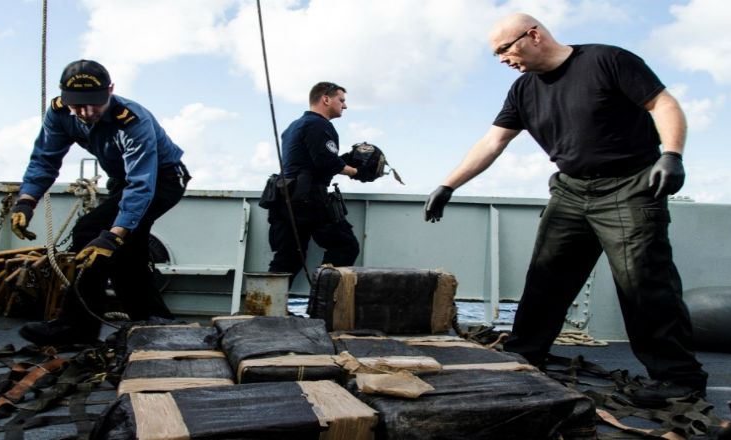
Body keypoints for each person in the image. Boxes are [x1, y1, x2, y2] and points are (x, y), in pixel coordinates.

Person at [424, 13, 707, 408]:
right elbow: (492, 142)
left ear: (534, 35)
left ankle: (678, 377)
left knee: (644, 283)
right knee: (546, 277)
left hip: (629, 186)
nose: (503, 60)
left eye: (505, 49)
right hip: (571, 190)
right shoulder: (523, 90)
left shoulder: (607, 60)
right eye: (497, 55)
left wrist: (672, 154)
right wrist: (448, 184)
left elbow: (662, 102)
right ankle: (525, 355)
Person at [11, 59, 190, 345]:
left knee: (91, 233)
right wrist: (25, 202)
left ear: (111, 91)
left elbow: (141, 185)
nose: (86, 112)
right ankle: (153, 321)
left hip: (163, 180)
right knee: (126, 250)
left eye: (94, 103)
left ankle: (77, 326)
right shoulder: (59, 113)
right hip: (123, 182)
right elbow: (45, 160)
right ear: (62, 95)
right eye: (77, 105)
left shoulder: (133, 120)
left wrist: (112, 234)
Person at [264, 82, 360, 283]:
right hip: (308, 200)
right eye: (341, 100)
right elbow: (326, 161)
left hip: (285, 199)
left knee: (287, 259)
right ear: (326, 99)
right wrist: (354, 171)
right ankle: (322, 303)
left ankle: (268, 311)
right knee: (345, 245)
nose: (345, 106)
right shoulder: (319, 124)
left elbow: (308, 160)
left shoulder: (293, 127)